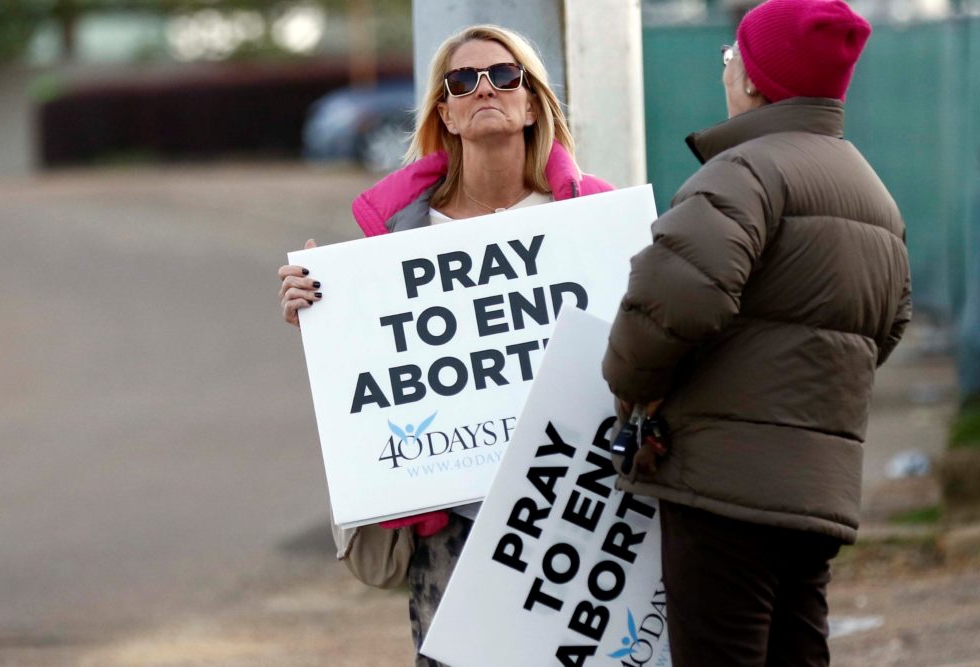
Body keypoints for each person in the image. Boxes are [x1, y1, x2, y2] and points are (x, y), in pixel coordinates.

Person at [279, 24, 612, 666]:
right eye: (464, 81)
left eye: (504, 75)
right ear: (446, 114)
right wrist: (319, 311)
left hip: (579, 510)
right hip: (456, 525)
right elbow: (376, 364)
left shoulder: (591, 216)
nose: (485, 87)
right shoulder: (398, 239)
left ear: (532, 101)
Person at [601, 1, 911, 665]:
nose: (725, 71)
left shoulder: (743, 173)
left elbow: (677, 296)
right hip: (815, 493)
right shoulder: (874, 195)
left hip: (723, 485)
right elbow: (886, 328)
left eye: (729, 57)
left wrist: (635, 388)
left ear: (756, 79)